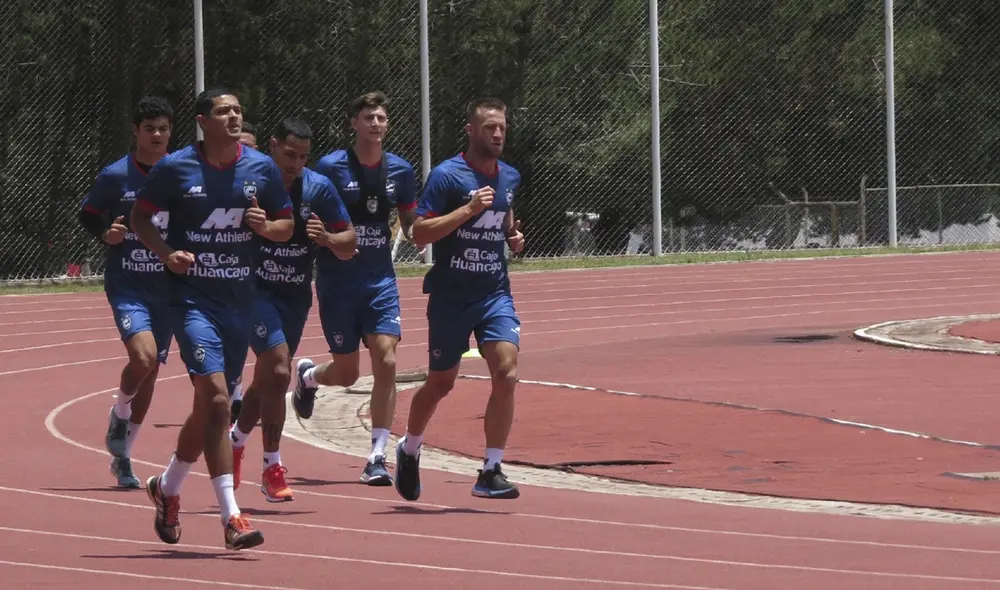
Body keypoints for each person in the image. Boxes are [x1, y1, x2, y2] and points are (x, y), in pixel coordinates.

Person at [130, 87, 294, 550]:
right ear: (203, 120)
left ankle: (168, 487)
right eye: (224, 111)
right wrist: (166, 254)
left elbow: (286, 225)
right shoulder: (176, 167)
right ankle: (232, 516)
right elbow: (140, 218)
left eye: (239, 109)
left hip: (238, 302)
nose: (235, 116)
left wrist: (267, 228)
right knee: (219, 398)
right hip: (191, 299)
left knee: (208, 407)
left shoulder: (260, 168)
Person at [393, 96, 525, 501]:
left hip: (493, 293)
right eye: (489, 127)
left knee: (507, 372)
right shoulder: (447, 177)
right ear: (471, 130)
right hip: (451, 296)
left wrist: (511, 237)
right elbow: (419, 234)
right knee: (440, 383)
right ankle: (410, 447)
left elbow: (503, 216)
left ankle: (491, 469)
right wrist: (466, 210)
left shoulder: (510, 177)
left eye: (502, 127)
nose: (498, 134)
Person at [229, 117, 357, 502]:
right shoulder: (247, 183)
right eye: (289, 154)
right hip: (252, 289)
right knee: (282, 367)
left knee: (269, 377)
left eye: (303, 157)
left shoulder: (318, 188)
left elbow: (349, 243)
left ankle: (235, 441)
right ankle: (272, 466)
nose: (295, 163)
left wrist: (328, 237)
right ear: (272, 146)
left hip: (294, 295)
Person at [293, 91, 416, 486]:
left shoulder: (401, 171)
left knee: (388, 359)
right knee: (347, 373)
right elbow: (309, 214)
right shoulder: (329, 167)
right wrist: (325, 239)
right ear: (354, 123)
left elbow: (413, 222)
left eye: (381, 117)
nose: (375, 124)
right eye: (368, 117)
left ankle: (377, 455)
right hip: (337, 280)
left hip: (379, 279)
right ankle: (309, 378)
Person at [78, 96, 175, 489]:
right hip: (129, 284)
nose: (157, 135)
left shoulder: (181, 173)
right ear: (136, 131)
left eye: (163, 128)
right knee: (143, 356)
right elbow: (87, 214)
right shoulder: (116, 176)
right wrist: (106, 234)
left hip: (169, 288)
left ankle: (125, 457)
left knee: (150, 373)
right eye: (149, 128)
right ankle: (119, 411)